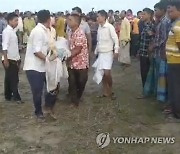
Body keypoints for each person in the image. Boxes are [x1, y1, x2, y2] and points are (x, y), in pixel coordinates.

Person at [23, 10, 55, 121]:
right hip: (34, 67)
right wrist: (48, 59)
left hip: (41, 66)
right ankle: (38, 112)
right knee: (37, 91)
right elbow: (36, 51)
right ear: (48, 19)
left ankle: (46, 108)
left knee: (49, 87)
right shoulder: (38, 31)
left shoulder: (45, 31)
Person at [93, 10, 119, 100]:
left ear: (104, 17)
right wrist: (96, 51)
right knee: (103, 73)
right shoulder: (99, 28)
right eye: (97, 16)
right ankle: (105, 91)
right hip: (101, 53)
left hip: (108, 53)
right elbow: (98, 41)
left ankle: (110, 90)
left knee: (107, 73)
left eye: (99, 16)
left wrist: (116, 50)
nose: (97, 18)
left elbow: (115, 39)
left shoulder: (109, 27)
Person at [67, 14, 89, 107]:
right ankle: (74, 100)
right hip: (72, 62)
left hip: (81, 63)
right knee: (72, 82)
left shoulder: (79, 33)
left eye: (70, 20)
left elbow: (77, 49)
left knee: (80, 81)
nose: (68, 21)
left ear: (76, 22)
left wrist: (66, 56)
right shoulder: (71, 32)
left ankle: (77, 98)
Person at [2, 12, 23, 103]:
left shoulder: (12, 31)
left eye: (17, 20)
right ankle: (16, 97)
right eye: (15, 20)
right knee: (14, 79)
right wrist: (5, 59)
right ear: (9, 21)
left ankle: (8, 95)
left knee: (9, 78)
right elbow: (5, 46)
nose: (17, 22)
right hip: (10, 59)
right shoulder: (7, 32)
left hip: (14, 58)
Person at [166, 1, 180, 119]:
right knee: (174, 86)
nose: (169, 14)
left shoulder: (178, 26)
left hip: (176, 61)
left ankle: (177, 112)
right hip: (172, 60)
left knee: (175, 87)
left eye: (172, 11)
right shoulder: (174, 24)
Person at [137, 8, 155, 98]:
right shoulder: (143, 25)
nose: (141, 16)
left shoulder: (151, 25)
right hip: (143, 52)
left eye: (144, 14)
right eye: (141, 14)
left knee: (146, 73)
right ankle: (146, 91)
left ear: (149, 15)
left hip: (147, 54)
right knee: (143, 72)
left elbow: (153, 38)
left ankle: (146, 92)